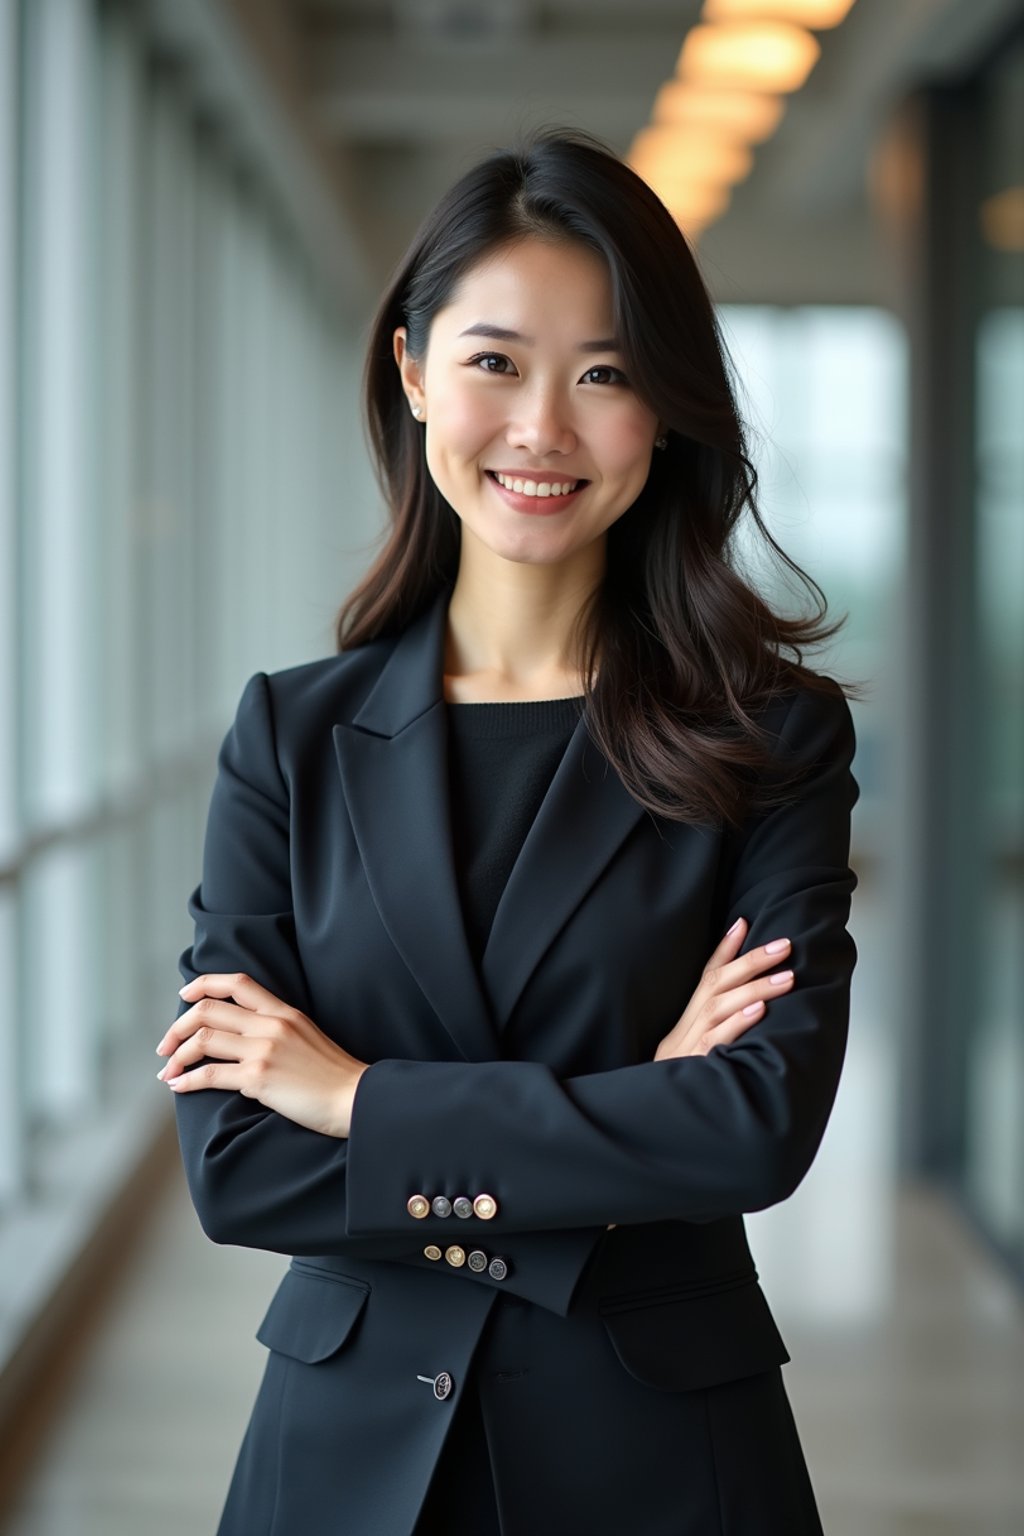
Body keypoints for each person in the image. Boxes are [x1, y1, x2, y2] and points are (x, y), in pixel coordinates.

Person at [156, 125, 863, 1535]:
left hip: (658, 1454)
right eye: (495, 361)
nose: (543, 428)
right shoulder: (291, 736)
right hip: (341, 1457)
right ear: (414, 371)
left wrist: (360, 1100)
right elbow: (235, 1164)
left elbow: (752, 1129)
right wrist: (623, 1110)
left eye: (603, 373)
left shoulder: (767, 736)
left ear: (663, 410)